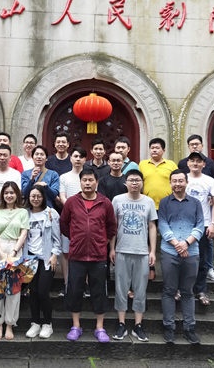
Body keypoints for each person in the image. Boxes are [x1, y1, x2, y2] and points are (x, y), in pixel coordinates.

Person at [60, 168, 117, 343]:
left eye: (91, 180)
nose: (87, 183)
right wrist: (76, 238)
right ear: (80, 182)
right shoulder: (72, 202)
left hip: (98, 255)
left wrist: (102, 241)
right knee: (75, 290)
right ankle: (76, 325)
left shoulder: (105, 203)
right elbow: (64, 224)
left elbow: (111, 226)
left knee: (99, 291)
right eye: (84, 180)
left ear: (96, 182)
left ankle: (99, 327)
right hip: (77, 255)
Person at [110, 170, 157, 342]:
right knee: (121, 288)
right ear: (126, 182)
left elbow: (152, 226)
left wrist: (152, 251)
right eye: (131, 180)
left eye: (138, 180)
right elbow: (113, 226)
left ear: (142, 182)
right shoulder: (117, 200)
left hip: (142, 251)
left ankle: (138, 325)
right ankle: (121, 323)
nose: (134, 183)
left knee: (140, 289)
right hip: (122, 250)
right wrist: (112, 248)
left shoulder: (148, 201)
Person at [158, 170, 204, 345]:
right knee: (169, 290)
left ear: (186, 182)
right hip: (169, 252)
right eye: (174, 181)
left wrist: (186, 243)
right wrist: (177, 244)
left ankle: (189, 328)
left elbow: (200, 225)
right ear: (170, 183)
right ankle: (168, 327)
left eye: (180, 181)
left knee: (187, 291)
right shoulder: (164, 202)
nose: (177, 184)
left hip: (191, 252)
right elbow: (162, 224)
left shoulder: (195, 203)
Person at [177, 135, 214, 282]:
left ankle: (209, 269)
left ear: (202, 145)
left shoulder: (209, 163)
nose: (194, 146)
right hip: (186, 217)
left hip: (205, 213)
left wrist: (212, 193)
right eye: (192, 144)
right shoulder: (182, 164)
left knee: (206, 244)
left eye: (197, 144)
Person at [0, 182, 29, 340]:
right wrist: (0, 253)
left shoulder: (23, 212)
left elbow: (23, 233)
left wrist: (13, 252)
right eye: (6, 193)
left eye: (12, 193)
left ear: (17, 194)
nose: (9, 195)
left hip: (15, 248)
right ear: (2, 195)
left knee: (13, 288)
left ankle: (10, 324)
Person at [23, 185, 61, 339]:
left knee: (43, 291)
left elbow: (57, 238)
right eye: (33, 196)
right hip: (29, 259)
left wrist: (55, 254)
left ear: (43, 197)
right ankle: (35, 323)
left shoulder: (51, 213)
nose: (36, 199)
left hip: (46, 258)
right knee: (32, 292)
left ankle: (47, 323)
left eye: (39, 196)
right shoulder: (25, 214)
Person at [186, 152, 214, 306]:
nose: (195, 163)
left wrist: (213, 223)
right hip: (185, 224)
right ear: (188, 163)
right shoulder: (183, 178)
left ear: (204, 164)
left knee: (203, 259)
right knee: (182, 258)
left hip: (204, 223)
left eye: (198, 161)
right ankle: (182, 288)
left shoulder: (209, 180)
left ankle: (200, 289)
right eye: (192, 160)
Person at [58, 146, 86, 295]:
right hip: (69, 218)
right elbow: (62, 196)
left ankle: (83, 285)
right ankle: (67, 283)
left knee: (84, 252)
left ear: (85, 160)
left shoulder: (88, 176)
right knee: (66, 252)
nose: (78, 159)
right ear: (71, 158)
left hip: (86, 220)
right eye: (75, 156)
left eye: (81, 157)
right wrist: (73, 209)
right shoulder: (64, 177)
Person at [139, 138, 178, 209]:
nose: (154, 150)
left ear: (163, 150)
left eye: (157, 148)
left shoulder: (171, 164)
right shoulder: (142, 164)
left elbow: (177, 182)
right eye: (152, 148)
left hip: (168, 204)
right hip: (147, 204)